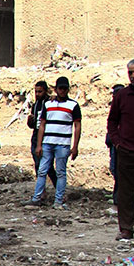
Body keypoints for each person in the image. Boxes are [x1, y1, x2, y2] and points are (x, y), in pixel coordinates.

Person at [29, 75, 81, 209]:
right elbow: (42, 125)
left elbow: (77, 126)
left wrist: (75, 146)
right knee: (42, 170)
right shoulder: (48, 104)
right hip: (47, 142)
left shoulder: (73, 105)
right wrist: (39, 144)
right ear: (56, 89)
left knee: (60, 172)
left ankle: (58, 200)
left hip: (63, 144)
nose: (62, 91)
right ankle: (37, 198)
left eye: (64, 88)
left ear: (68, 89)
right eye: (60, 88)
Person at [107, 60, 134, 243]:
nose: (133, 76)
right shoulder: (122, 96)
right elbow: (112, 121)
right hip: (126, 152)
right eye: (130, 73)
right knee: (125, 193)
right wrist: (117, 143)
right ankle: (126, 229)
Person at [27, 80, 56, 191]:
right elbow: (33, 125)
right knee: (38, 165)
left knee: (48, 166)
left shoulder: (50, 103)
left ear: (45, 91)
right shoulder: (36, 105)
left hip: (47, 137)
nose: (37, 94)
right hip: (36, 136)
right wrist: (30, 121)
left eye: (40, 92)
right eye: (36, 92)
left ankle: (58, 188)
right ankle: (41, 191)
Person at [106, 82, 126, 210]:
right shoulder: (116, 106)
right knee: (116, 170)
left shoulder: (126, 106)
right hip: (116, 143)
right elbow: (111, 124)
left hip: (124, 144)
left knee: (121, 172)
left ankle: (119, 199)